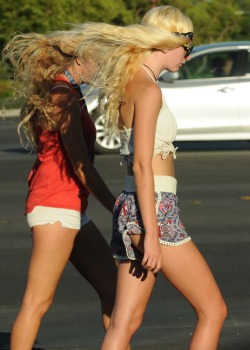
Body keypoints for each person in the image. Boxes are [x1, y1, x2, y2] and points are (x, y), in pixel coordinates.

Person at [75, 5, 227, 350]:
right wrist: (154, 235)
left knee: (124, 323)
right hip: (153, 209)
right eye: (187, 48)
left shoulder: (129, 84)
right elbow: (143, 165)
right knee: (213, 310)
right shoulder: (149, 90)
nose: (188, 56)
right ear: (166, 43)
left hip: (133, 206)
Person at [2, 29, 118, 350]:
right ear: (81, 58)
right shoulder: (62, 94)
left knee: (115, 292)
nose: (104, 68)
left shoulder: (69, 90)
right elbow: (81, 166)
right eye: (100, 61)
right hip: (55, 205)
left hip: (70, 207)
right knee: (37, 303)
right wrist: (118, 207)